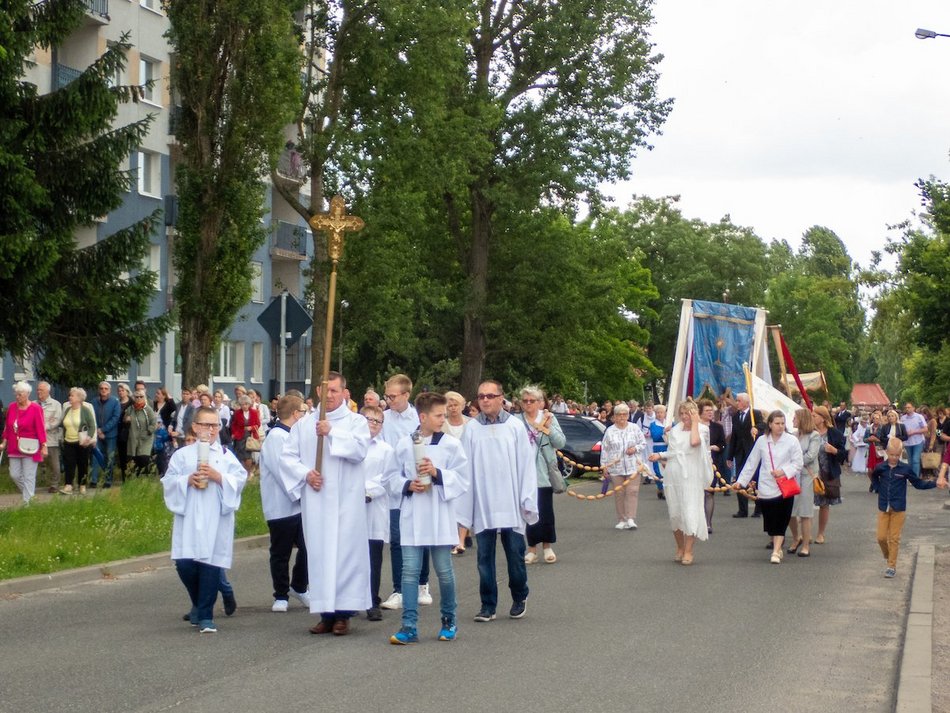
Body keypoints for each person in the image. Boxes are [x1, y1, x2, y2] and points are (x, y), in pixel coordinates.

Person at [281, 372, 372, 636]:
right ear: (319, 392)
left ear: (344, 392)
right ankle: (325, 613)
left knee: (344, 556)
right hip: (318, 500)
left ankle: (343, 615)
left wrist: (331, 433)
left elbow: (359, 451)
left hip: (346, 502)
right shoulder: (304, 424)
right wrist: (306, 474)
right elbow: (287, 458)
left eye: (335, 390)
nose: (330, 395)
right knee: (320, 555)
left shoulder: (356, 422)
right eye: (326, 390)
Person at [384, 393, 469, 644]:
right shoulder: (404, 444)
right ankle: (409, 625)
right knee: (409, 571)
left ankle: (449, 620)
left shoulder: (451, 445)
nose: (443, 419)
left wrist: (436, 473)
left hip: (439, 514)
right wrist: (408, 484)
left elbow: (462, 478)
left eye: (444, 415)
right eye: (439, 415)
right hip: (413, 515)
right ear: (423, 417)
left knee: (443, 570)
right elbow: (390, 478)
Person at [161, 406, 248, 633]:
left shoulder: (226, 456)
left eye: (215, 425)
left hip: (215, 516)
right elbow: (169, 482)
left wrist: (219, 477)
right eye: (206, 425)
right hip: (189, 515)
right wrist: (186, 480)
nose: (210, 430)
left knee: (210, 564)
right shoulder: (182, 455)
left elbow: (240, 480)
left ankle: (206, 615)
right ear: (195, 427)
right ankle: (201, 603)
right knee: (185, 564)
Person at [458, 380, 537, 622]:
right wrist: (465, 507)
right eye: (481, 396)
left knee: (515, 555)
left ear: (501, 398)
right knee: (484, 558)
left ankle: (519, 594)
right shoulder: (471, 429)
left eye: (490, 396)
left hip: (510, 501)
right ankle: (488, 604)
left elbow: (526, 465)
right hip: (484, 502)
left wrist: (527, 499)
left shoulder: (514, 427)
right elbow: (465, 468)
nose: (485, 400)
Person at [379, 374, 430, 611]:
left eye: (393, 396)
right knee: (397, 539)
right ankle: (398, 589)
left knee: (421, 535)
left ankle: (422, 583)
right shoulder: (383, 419)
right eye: (386, 396)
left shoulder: (417, 420)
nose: (388, 400)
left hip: (416, 483)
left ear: (406, 395)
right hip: (393, 486)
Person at [259, 394, 310, 613]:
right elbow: (283, 472)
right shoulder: (277, 437)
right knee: (281, 552)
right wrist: (300, 492)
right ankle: (280, 594)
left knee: (309, 546)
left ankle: (299, 585)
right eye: (304, 412)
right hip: (281, 505)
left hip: (300, 504)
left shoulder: (293, 436)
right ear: (296, 414)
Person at [733, 410, 804, 563]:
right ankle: (776, 543)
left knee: (781, 519)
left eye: (783, 423)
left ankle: (776, 551)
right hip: (766, 486)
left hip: (785, 485)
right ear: (770, 424)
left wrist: (783, 471)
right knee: (771, 521)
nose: (780, 426)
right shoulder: (762, 441)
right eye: (777, 423)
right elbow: (752, 462)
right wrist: (741, 481)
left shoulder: (792, 441)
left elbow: (798, 463)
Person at [649, 401, 711, 565]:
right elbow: (673, 452)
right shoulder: (675, 430)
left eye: (688, 413)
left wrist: (696, 422)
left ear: (694, 413)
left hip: (691, 474)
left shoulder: (703, 429)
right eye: (682, 413)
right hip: (674, 473)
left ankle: (689, 550)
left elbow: (694, 443)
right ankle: (680, 547)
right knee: (675, 512)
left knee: (690, 510)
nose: (684, 417)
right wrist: (660, 456)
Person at [875, 438, 944, 577]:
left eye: (897, 455)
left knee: (894, 538)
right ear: (887, 452)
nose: (894, 457)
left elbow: (918, 484)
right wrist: (878, 488)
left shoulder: (905, 469)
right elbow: (874, 477)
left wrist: (934, 483)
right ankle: (889, 556)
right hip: (883, 506)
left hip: (899, 508)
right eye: (891, 454)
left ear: (901, 453)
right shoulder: (880, 467)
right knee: (881, 537)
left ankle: (891, 566)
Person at [518, 386, 567, 562]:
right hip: (522, 472)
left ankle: (547, 546)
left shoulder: (548, 418)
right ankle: (531, 548)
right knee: (528, 510)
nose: (529, 404)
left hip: (543, 471)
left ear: (540, 402)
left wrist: (547, 429)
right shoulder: (517, 421)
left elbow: (561, 442)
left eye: (532, 400)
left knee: (545, 511)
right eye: (525, 401)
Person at [361, 404, 394, 621]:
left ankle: (372, 600)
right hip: (350, 507)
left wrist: (367, 491)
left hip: (373, 506)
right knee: (352, 556)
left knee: (373, 557)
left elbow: (387, 478)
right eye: (368, 419)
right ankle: (351, 600)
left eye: (377, 421)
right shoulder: (349, 446)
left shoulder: (385, 450)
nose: (372, 424)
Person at [0, 381, 49, 503]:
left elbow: (40, 428)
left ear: (27, 394)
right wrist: (4, 443)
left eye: (20, 394)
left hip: (30, 447)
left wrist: (44, 445)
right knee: (14, 474)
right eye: (16, 394)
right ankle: (30, 496)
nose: (17, 397)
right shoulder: (12, 407)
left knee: (29, 476)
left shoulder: (35, 408)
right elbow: (8, 427)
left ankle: (28, 503)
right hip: (14, 447)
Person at [600, 401, 646, 531]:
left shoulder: (634, 428)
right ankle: (621, 519)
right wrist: (604, 466)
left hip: (633, 465)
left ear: (628, 415)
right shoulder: (610, 431)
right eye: (619, 414)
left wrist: (635, 448)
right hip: (616, 467)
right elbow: (605, 449)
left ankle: (631, 518)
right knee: (619, 493)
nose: (622, 417)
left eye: (624, 414)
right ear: (614, 416)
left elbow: (643, 443)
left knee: (632, 491)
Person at [812, 405, 848, 544]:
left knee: (824, 504)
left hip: (827, 473)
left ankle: (820, 533)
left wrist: (834, 451)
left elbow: (843, 455)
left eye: (815, 416)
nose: (812, 418)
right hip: (810, 473)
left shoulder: (834, 433)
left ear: (823, 418)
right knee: (804, 503)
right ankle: (805, 532)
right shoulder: (809, 432)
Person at [442, 391, 472, 555]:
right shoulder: (442, 423)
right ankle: (453, 537)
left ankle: (461, 540)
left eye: (456, 405)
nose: (453, 408)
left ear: (462, 406)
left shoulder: (471, 423)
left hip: (467, 468)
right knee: (452, 503)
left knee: (465, 502)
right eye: (450, 405)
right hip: (448, 469)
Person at [788, 408, 820, 557]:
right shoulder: (792, 435)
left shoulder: (814, 435)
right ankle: (796, 538)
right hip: (792, 475)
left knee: (805, 511)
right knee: (790, 510)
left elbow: (811, 455)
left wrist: (795, 460)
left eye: (795, 417)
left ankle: (806, 544)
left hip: (807, 475)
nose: (793, 420)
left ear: (802, 419)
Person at [60, 387, 97, 494]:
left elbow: (92, 426)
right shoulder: (67, 409)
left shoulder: (85, 410)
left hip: (82, 442)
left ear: (79, 398)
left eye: (72, 395)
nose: (69, 397)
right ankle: (68, 485)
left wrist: (89, 437)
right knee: (69, 464)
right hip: (68, 441)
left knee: (82, 464)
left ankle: (82, 485)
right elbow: (64, 425)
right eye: (70, 395)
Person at [726, 392, 757, 517]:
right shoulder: (735, 416)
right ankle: (742, 510)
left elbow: (762, 425)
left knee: (754, 480)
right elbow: (734, 437)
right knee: (740, 479)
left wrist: (757, 429)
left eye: (738, 401)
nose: (736, 403)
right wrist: (729, 456)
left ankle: (758, 508)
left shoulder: (755, 414)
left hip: (752, 451)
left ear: (746, 402)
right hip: (740, 452)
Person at [699, 399, 727, 533]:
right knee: (697, 494)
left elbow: (723, 444)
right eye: (707, 411)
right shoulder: (695, 426)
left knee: (709, 493)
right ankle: (697, 521)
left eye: (712, 411)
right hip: (696, 463)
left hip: (712, 463)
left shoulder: (717, 427)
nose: (710, 413)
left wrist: (716, 447)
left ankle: (708, 523)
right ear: (700, 412)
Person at [90, 381, 120, 488]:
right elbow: (91, 416)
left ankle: (108, 480)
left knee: (109, 457)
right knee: (95, 456)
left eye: (106, 389)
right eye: (101, 388)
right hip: (97, 434)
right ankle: (93, 480)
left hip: (110, 435)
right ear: (99, 390)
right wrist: (98, 430)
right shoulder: (94, 402)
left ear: (109, 391)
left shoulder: (115, 402)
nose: (103, 390)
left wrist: (103, 430)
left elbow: (115, 418)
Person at [37, 381, 63, 494]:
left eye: (41, 390)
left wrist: (41, 426)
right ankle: (32, 482)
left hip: (51, 438)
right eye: (38, 390)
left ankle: (54, 485)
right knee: (34, 462)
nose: (38, 392)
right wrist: (46, 423)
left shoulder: (56, 404)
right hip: (35, 439)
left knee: (54, 464)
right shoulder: (33, 404)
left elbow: (56, 420)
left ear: (48, 391)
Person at [125, 389, 157, 477]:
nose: (139, 398)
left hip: (145, 439)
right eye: (137, 397)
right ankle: (135, 480)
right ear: (134, 398)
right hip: (133, 438)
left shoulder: (148, 410)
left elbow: (154, 423)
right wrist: (126, 419)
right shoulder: (130, 409)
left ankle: (145, 478)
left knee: (143, 459)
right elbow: (124, 419)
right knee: (133, 459)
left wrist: (148, 431)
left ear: (144, 398)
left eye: (141, 397)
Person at [230, 394, 261, 477]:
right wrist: (234, 433)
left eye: (246, 404)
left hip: (249, 437)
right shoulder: (237, 413)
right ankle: (242, 473)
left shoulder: (254, 412)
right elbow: (234, 425)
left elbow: (258, 424)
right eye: (242, 404)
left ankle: (248, 472)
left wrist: (252, 428)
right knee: (240, 454)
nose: (244, 406)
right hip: (239, 436)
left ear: (249, 404)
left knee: (247, 455)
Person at [900, 402, 928, 477]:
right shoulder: (903, 418)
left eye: (909, 407)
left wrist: (914, 432)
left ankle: (915, 477)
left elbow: (925, 429)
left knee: (915, 460)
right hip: (908, 442)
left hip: (918, 441)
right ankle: (911, 476)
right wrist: (905, 434)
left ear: (913, 408)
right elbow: (900, 430)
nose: (907, 409)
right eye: (906, 408)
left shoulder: (919, 417)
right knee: (910, 461)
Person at [648, 405, 668, 498]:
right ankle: (661, 488)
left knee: (668, 469)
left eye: (661, 412)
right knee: (658, 470)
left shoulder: (670, 423)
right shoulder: (653, 424)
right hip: (658, 448)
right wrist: (664, 431)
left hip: (668, 448)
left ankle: (667, 489)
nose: (660, 414)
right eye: (658, 413)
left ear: (665, 413)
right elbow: (655, 436)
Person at [115, 383, 133, 480]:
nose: (121, 392)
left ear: (127, 391)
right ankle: (124, 477)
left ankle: (130, 475)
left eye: (123, 390)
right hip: (119, 432)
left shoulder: (132, 403)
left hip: (129, 432)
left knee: (129, 455)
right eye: (119, 391)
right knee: (121, 455)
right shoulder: (116, 403)